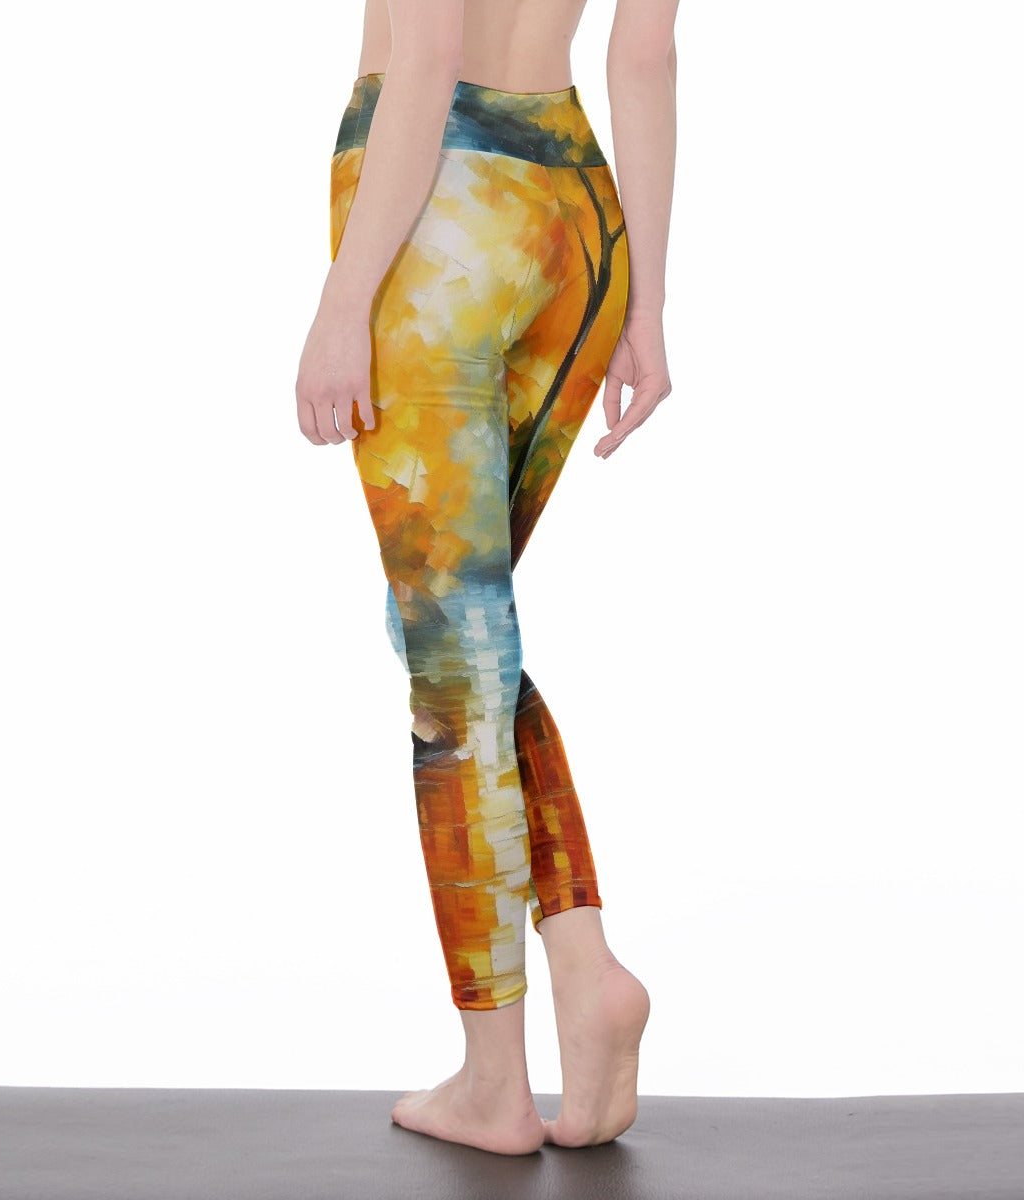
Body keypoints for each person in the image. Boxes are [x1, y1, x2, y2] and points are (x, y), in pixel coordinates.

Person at [296, 0, 678, 1157]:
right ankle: (584, 968)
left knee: (453, 665)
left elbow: (428, 56)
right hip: (577, 216)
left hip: (436, 220)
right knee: (469, 634)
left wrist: (344, 301)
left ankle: (493, 1081)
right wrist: (647, 304)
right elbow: (644, 52)